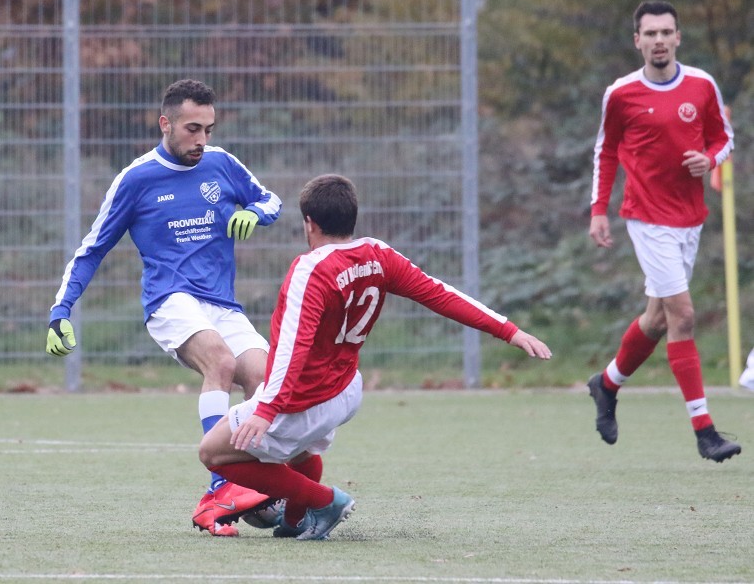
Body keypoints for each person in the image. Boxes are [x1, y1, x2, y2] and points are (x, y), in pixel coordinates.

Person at [198, 174, 552, 540]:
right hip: (345, 391)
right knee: (301, 455)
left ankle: (324, 501)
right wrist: (509, 329)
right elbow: (440, 294)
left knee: (214, 453)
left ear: (310, 222)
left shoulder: (310, 270)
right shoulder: (378, 256)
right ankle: (294, 522)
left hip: (301, 400)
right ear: (352, 217)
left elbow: (293, 347)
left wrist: (267, 408)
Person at [45, 79, 283, 536]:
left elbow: (269, 198)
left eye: (209, 130)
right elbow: (92, 248)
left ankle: (262, 489)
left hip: (221, 303)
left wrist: (257, 213)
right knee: (221, 361)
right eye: (193, 129)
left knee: (266, 378)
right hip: (169, 301)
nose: (202, 140)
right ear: (166, 123)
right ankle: (222, 485)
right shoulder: (136, 179)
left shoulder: (221, 164)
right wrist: (62, 309)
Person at [587, 1, 739, 462]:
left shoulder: (701, 84)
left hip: (689, 218)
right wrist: (599, 210)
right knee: (684, 315)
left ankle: (607, 384)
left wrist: (709, 159)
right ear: (637, 40)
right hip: (646, 217)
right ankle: (704, 430)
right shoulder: (621, 93)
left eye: (666, 32)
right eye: (649, 33)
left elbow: (724, 138)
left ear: (677, 38)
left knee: (656, 319)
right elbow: (606, 151)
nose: (658, 40)